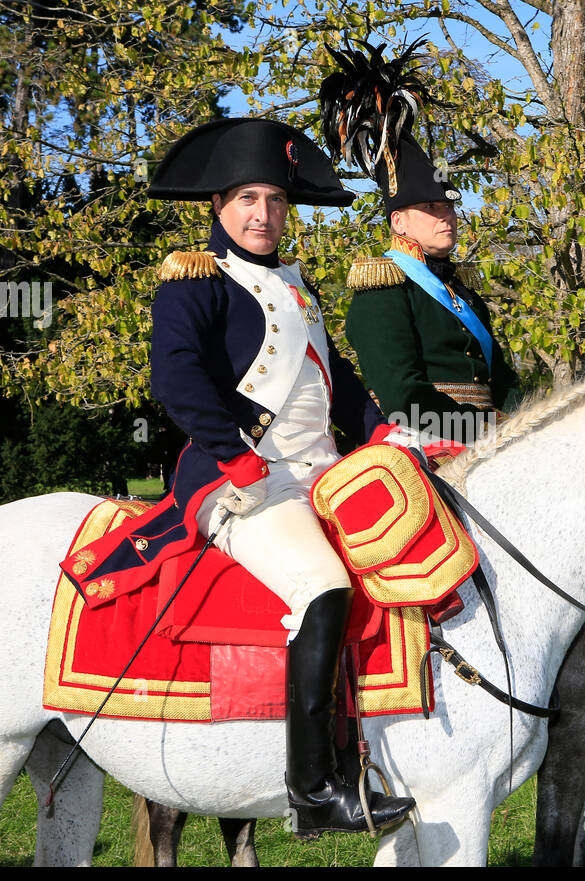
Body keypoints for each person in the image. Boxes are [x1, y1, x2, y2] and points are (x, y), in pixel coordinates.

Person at [138, 117, 415, 838]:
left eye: (275, 201)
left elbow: (335, 379)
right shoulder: (194, 280)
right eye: (247, 200)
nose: (263, 216)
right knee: (322, 587)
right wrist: (233, 455)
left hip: (320, 476)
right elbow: (177, 377)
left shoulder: (295, 283)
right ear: (219, 207)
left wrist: (383, 430)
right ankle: (313, 789)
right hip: (243, 483)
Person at [316, 46, 521, 444]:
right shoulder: (384, 291)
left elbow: (504, 379)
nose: (446, 216)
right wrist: (482, 430)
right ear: (399, 221)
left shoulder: (462, 290)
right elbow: (401, 396)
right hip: (420, 443)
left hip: (490, 445)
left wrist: (521, 421)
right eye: (430, 207)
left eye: (448, 207)